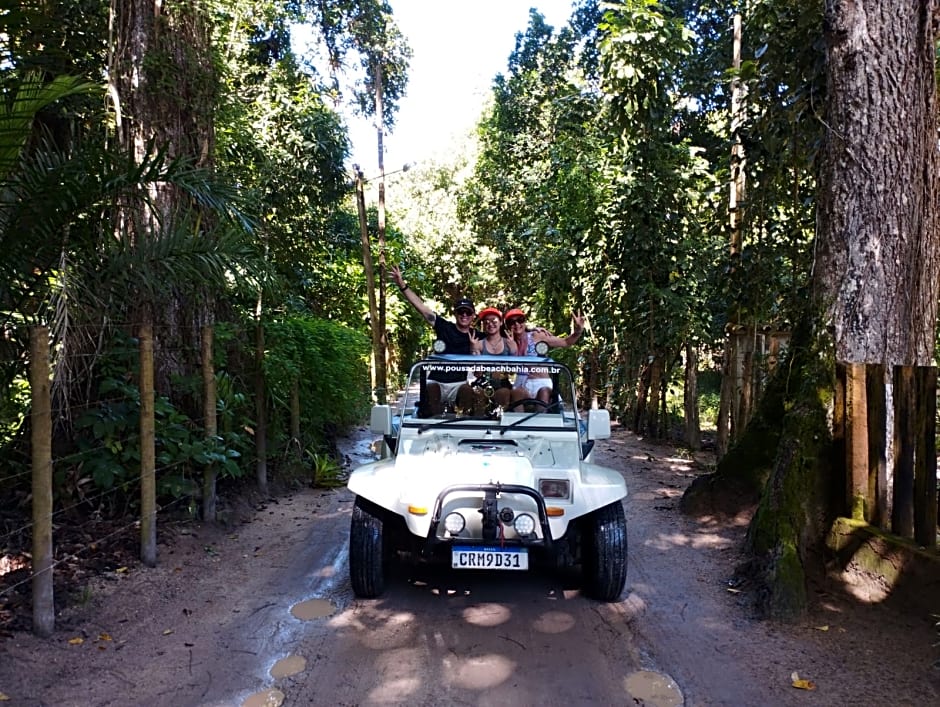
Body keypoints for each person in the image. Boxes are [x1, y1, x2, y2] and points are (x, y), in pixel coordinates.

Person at [389, 265, 481, 416]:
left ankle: (464, 427)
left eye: (468, 312)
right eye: (460, 312)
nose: (464, 315)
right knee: (431, 391)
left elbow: (499, 340)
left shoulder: (477, 336)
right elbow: (422, 308)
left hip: (459, 384)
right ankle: (432, 430)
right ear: (455, 314)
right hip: (437, 381)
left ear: (473, 316)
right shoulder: (444, 327)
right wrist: (402, 284)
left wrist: (531, 333)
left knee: (468, 392)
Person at [505, 308, 584, 408]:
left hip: (541, 382)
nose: (516, 324)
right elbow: (509, 371)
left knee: (544, 393)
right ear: (508, 326)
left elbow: (566, 342)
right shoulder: (507, 342)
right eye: (512, 322)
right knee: (516, 393)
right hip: (521, 383)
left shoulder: (537, 335)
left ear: (524, 322)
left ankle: (542, 421)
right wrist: (512, 351)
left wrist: (578, 331)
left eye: (520, 320)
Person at [472, 307, 517, 411]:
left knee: (504, 394)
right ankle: (478, 424)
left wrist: (513, 351)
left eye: (494, 320)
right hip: (483, 382)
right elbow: (477, 372)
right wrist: (474, 351)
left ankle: (501, 424)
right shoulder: (479, 344)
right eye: (486, 321)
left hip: (503, 383)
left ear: (501, 322)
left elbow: (513, 371)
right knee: (478, 395)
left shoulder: (509, 342)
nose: (490, 324)